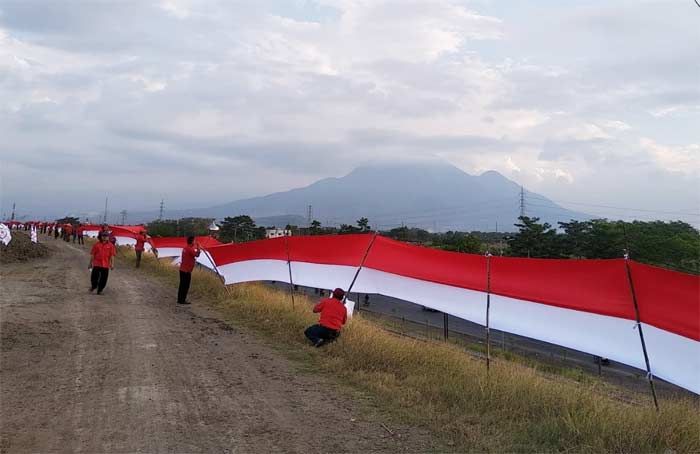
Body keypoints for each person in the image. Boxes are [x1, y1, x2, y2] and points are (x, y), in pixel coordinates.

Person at [177, 236, 200, 305]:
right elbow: (197, 255)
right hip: (186, 271)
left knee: (182, 285)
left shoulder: (186, 248)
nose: (195, 242)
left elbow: (193, 251)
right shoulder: (190, 249)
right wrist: (198, 248)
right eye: (194, 241)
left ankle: (180, 299)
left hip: (183, 269)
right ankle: (182, 300)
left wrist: (196, 247)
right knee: (185, 286)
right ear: (192, 241)